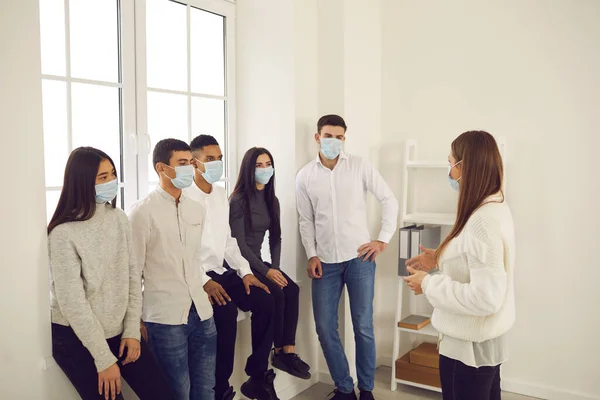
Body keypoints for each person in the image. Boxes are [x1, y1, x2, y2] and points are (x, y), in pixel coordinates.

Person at [48, 147, 173, 400]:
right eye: (102, 177)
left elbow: (131, 276)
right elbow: (73, 303)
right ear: (82, 181)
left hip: (117, 329)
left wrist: (131, 332)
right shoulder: (63, 234)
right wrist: (104, 359)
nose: (111, 181)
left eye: (112, 174)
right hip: (75, 336)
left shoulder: (118, 218)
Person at [404, 130, 515, 400]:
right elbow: (474, 259)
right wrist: (439, 258)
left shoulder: (482, 221)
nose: (450, 174)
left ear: (464, 167)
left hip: (469, 350)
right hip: (480, 342)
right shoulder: (493, 206)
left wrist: (428, 283)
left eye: (451, 164)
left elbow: (486, 298)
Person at [296, 115, 399, 400]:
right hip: (325, 262)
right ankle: (344, 388)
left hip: (360, 260)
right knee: (325, 327)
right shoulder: (305, 176)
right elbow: (305, 220)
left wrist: (382, 239)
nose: (334, 141)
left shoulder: (359, 166)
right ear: (317, 137)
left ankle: (366, 390)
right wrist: (312, 254)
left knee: (363, 326)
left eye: (339, 137)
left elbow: (389, 199)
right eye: (328, 135)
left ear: (345, 138)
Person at [183, 135, 277, 400]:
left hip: (222, 271)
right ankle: (220, 389)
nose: (216, 164)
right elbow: (182, 250)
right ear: (194, 162)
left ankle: (257, 375)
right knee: (226, 316)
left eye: (219, 159)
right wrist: (202, 280)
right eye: (209, 159)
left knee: (265, 299)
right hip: (197, 275)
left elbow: (228, 241)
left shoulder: (220, 194)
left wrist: (245, 271)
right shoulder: (185, 197)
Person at [129, 139, 216, 400]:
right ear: (161, 168)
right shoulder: (142, 213)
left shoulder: (196, 208)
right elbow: (133, 272)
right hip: (164, 319)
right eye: (182, 163)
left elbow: (194, 258)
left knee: (205, 390)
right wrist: (135, 321)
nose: (189, 168)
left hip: (202, 312)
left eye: (190, 163)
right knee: (176, 393)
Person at [229, 147, 311, 381]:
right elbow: (239, 244)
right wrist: (266, 271)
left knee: (292, 288)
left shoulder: (271, 199)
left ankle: (287, 351)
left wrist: (274, 267)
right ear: (248, 168)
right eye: (258, 165)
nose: (265, 169)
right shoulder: (237, 201)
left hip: (260, 263)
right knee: (276, 293)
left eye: (268, 164)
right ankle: (275, 353)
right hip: (241, 265)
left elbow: (276, 238)